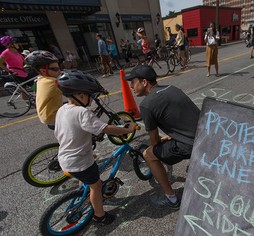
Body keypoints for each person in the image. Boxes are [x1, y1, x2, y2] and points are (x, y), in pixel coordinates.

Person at [55, 70, 138, 224]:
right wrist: (127, 129)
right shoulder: (82, 113)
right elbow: (106, 128)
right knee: (96, 186)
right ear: (80, 96)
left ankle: (83, 194)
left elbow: (64, 132)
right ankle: (100, 216)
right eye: (91, 96)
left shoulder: (62, 109)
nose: (92, 100)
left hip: (66, 157)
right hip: (79, 162)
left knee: (87, 179)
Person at [125, 65, 200, 209]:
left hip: (189, 145)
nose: (131, 86)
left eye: (133, 82)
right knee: (163, 144)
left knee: (148, 154)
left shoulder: (147, 105)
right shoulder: (173, 88)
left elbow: (154, 142)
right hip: (204, 137)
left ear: (144, 82)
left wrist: (160, 141)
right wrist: (172, 137)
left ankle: (171, 199)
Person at [25, 50, 62, 128]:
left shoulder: (41, 79)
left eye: (59, 67)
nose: (60, 71)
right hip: (53, 118)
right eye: (55, 69)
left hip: (47, 115)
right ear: (43, 71)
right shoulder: (52, 82)